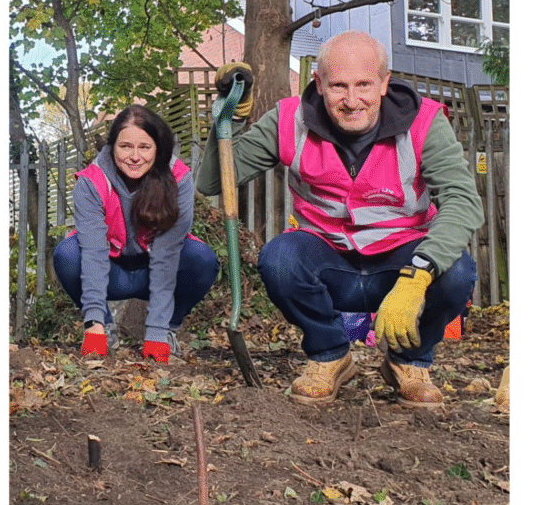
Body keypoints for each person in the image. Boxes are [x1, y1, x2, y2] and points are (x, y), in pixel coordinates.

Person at [196, 31, 484, 407]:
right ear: (318, 82)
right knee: (279, 258)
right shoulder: (289, 119)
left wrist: (418, 276)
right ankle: (330, 356)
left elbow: (463, 201)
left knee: (458, 271)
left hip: (399, 262)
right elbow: (213, 181)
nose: (351, 100)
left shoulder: (425, 123)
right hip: (328, 260)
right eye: (338, 86)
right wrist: (229, 120)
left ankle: (408, 363)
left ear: (384, 82)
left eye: (364, 84)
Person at [53, 104, 219, 361]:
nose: (134, 156)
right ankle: (105, 329)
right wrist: (93, 321)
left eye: (144, 147)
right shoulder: (91, 182)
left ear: (158, 147)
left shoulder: (178, 179)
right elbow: (94, 253)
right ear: (111, 147)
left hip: (158, 270)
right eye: (125, 146)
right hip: (112, 273)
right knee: (68, 253)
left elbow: (167, 255)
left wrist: (156, 331)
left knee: (201, 257)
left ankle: (169, 331)